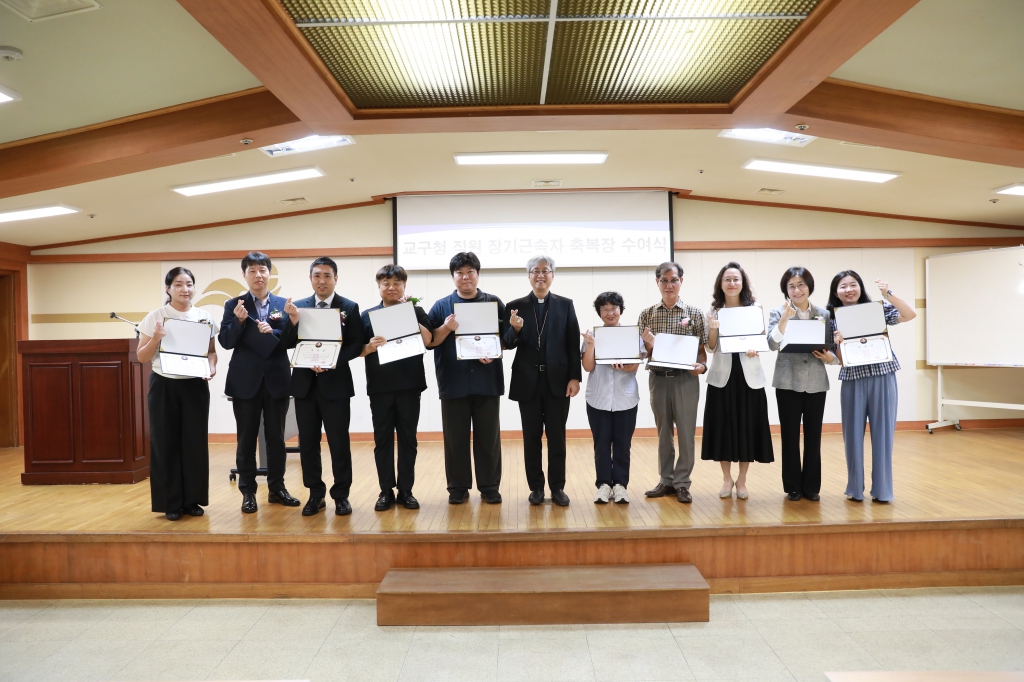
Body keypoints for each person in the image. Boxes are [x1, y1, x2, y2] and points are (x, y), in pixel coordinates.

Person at [218, 252, 300, 514]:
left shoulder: (283, 305)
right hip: (245, 381)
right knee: (245, 439)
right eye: (252, 270)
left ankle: (277, 488)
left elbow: (291, 342)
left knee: (276, 438)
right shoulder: (234, 305)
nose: (258, 275)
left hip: (277, 379)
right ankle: (248, 492)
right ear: (244, 275)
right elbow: (226, 342)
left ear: (269, 273)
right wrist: (239, 321)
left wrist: (285, 325)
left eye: (262, 269)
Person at [282, 256, 364, 517]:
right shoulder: (298, 307)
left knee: (339, 442)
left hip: (336, 385)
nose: (322, 280)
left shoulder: (349, 307)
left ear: (335, 279)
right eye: (317, 275)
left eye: (327, 275)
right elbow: (286, 342)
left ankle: (341, 495)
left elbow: (355, 344)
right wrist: (292, 320)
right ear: (310, 279)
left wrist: (331, 361)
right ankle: (315, 494)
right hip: (305, 386)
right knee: (308, 442)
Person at [136, 267, 217, 521]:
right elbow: (141, 356)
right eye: (179, 284)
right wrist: (155, 338)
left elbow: (211, 352)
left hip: (195, 386)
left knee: (194, 443)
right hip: (164, 385)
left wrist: (212, 368)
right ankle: (170, 502)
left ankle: (192, 500)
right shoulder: (156, 316)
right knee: (165, 443)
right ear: (168, 288)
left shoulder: (204, 317)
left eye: (189, 284)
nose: (185, 289)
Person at [427, 252, 508, 505]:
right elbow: (430, 341)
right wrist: (446, 328)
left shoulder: (494, 302)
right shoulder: (441, 306)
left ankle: (489, 486)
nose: (465, 277)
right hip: (453, 381)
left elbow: (507, 337)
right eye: (459, 273)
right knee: (455, 439)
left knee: (488, 437)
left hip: (487, 380)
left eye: (470, 272)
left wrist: (494, 351)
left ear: (478, 274)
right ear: (453, 277)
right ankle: (458, 487)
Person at [828, 270, 916, 503]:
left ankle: (883, 490)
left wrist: (888, 294)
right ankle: (855, 488)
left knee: (883, 435)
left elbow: (909, 314)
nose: (849, 290)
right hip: (852, 379)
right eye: (843, 286)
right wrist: (837, 344)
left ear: (860, 287)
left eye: (853, 284)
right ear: (836, 292)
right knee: (852, 436)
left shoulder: (877, 308)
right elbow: (840, 360)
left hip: (883, 376)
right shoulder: (831, 318)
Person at [503, 255, 582, 507]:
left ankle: (557, 487)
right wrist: (515, 329)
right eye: (535, 271)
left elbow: (572, 343)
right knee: (531, 438)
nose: (540, 275)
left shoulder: (565, 305)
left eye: (545, 271)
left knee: (557, 438)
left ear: (552, 275)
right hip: (528, 381)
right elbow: (506, 343)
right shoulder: (514, 306)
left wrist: (575, 377)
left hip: (558, 381)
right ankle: (536, 487)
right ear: (528, 276)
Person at [361, 264, 433, 512]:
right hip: (380, 387)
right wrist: (369, 346)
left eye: (397, 283)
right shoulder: (367, 315)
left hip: (410, 386)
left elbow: (429, 340)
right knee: (382, 440)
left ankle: (406, 490)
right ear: (379, 286)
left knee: (408, 440)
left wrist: (408, 312)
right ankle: (385, 491)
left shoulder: (416, 311)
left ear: (404, 286)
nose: (391, 288)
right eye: (386, 283)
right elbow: (357, 350)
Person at [701, 262, 774, 499]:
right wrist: (713, 328)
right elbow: (710, 347)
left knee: (747, 428)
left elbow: (761, 340)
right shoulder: (713, 311)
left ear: (743, 283)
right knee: (722, 428)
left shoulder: (754, 309)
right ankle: (726, 478)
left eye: (736, 279)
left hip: (749, 377)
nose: (732, 283)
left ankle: (742, 480)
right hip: (722, 377)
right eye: (727, 279)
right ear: (720, 284)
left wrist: (755, 349)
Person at [638, 262, 708, 504]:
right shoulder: (647, 314)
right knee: (663, 433)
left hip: (685, 380)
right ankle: (666, 480)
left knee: (686, 434)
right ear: (657, 282)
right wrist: (649, 344)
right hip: (658, 380)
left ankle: (682, 483)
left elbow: (701, 351)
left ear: (681, 281)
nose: (669, 285)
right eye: (664, 280)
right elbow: (645, 353)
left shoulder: (694, 314)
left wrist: (702, 366)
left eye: (674, 280)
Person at [767, 267, 838, 502]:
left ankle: (811, 487)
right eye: (791, 286)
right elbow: (772, 344)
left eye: (801, 285)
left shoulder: (823, 313)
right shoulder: (778, 312)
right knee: (789, 436)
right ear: (786, 290)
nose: (797, 290)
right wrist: (785, 319)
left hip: (816, 381)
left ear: (809, 287)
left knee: (813, 436)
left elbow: (832, 349)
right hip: (787, 381)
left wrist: (830, 358)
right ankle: (793, 486)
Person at [581, 291, 642, 505]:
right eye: (605, 309)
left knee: (623, 445)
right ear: (599, 312)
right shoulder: (592, 336)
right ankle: (604, 485)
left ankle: (620, 485)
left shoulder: (632, 335)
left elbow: (635, 366)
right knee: (602, 444)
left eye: (614, 308)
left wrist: (625, 367)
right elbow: (588, 366)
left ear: (620, 310)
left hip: (626, 398)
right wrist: (590, 345)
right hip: (598, 398)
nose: (610, 313)